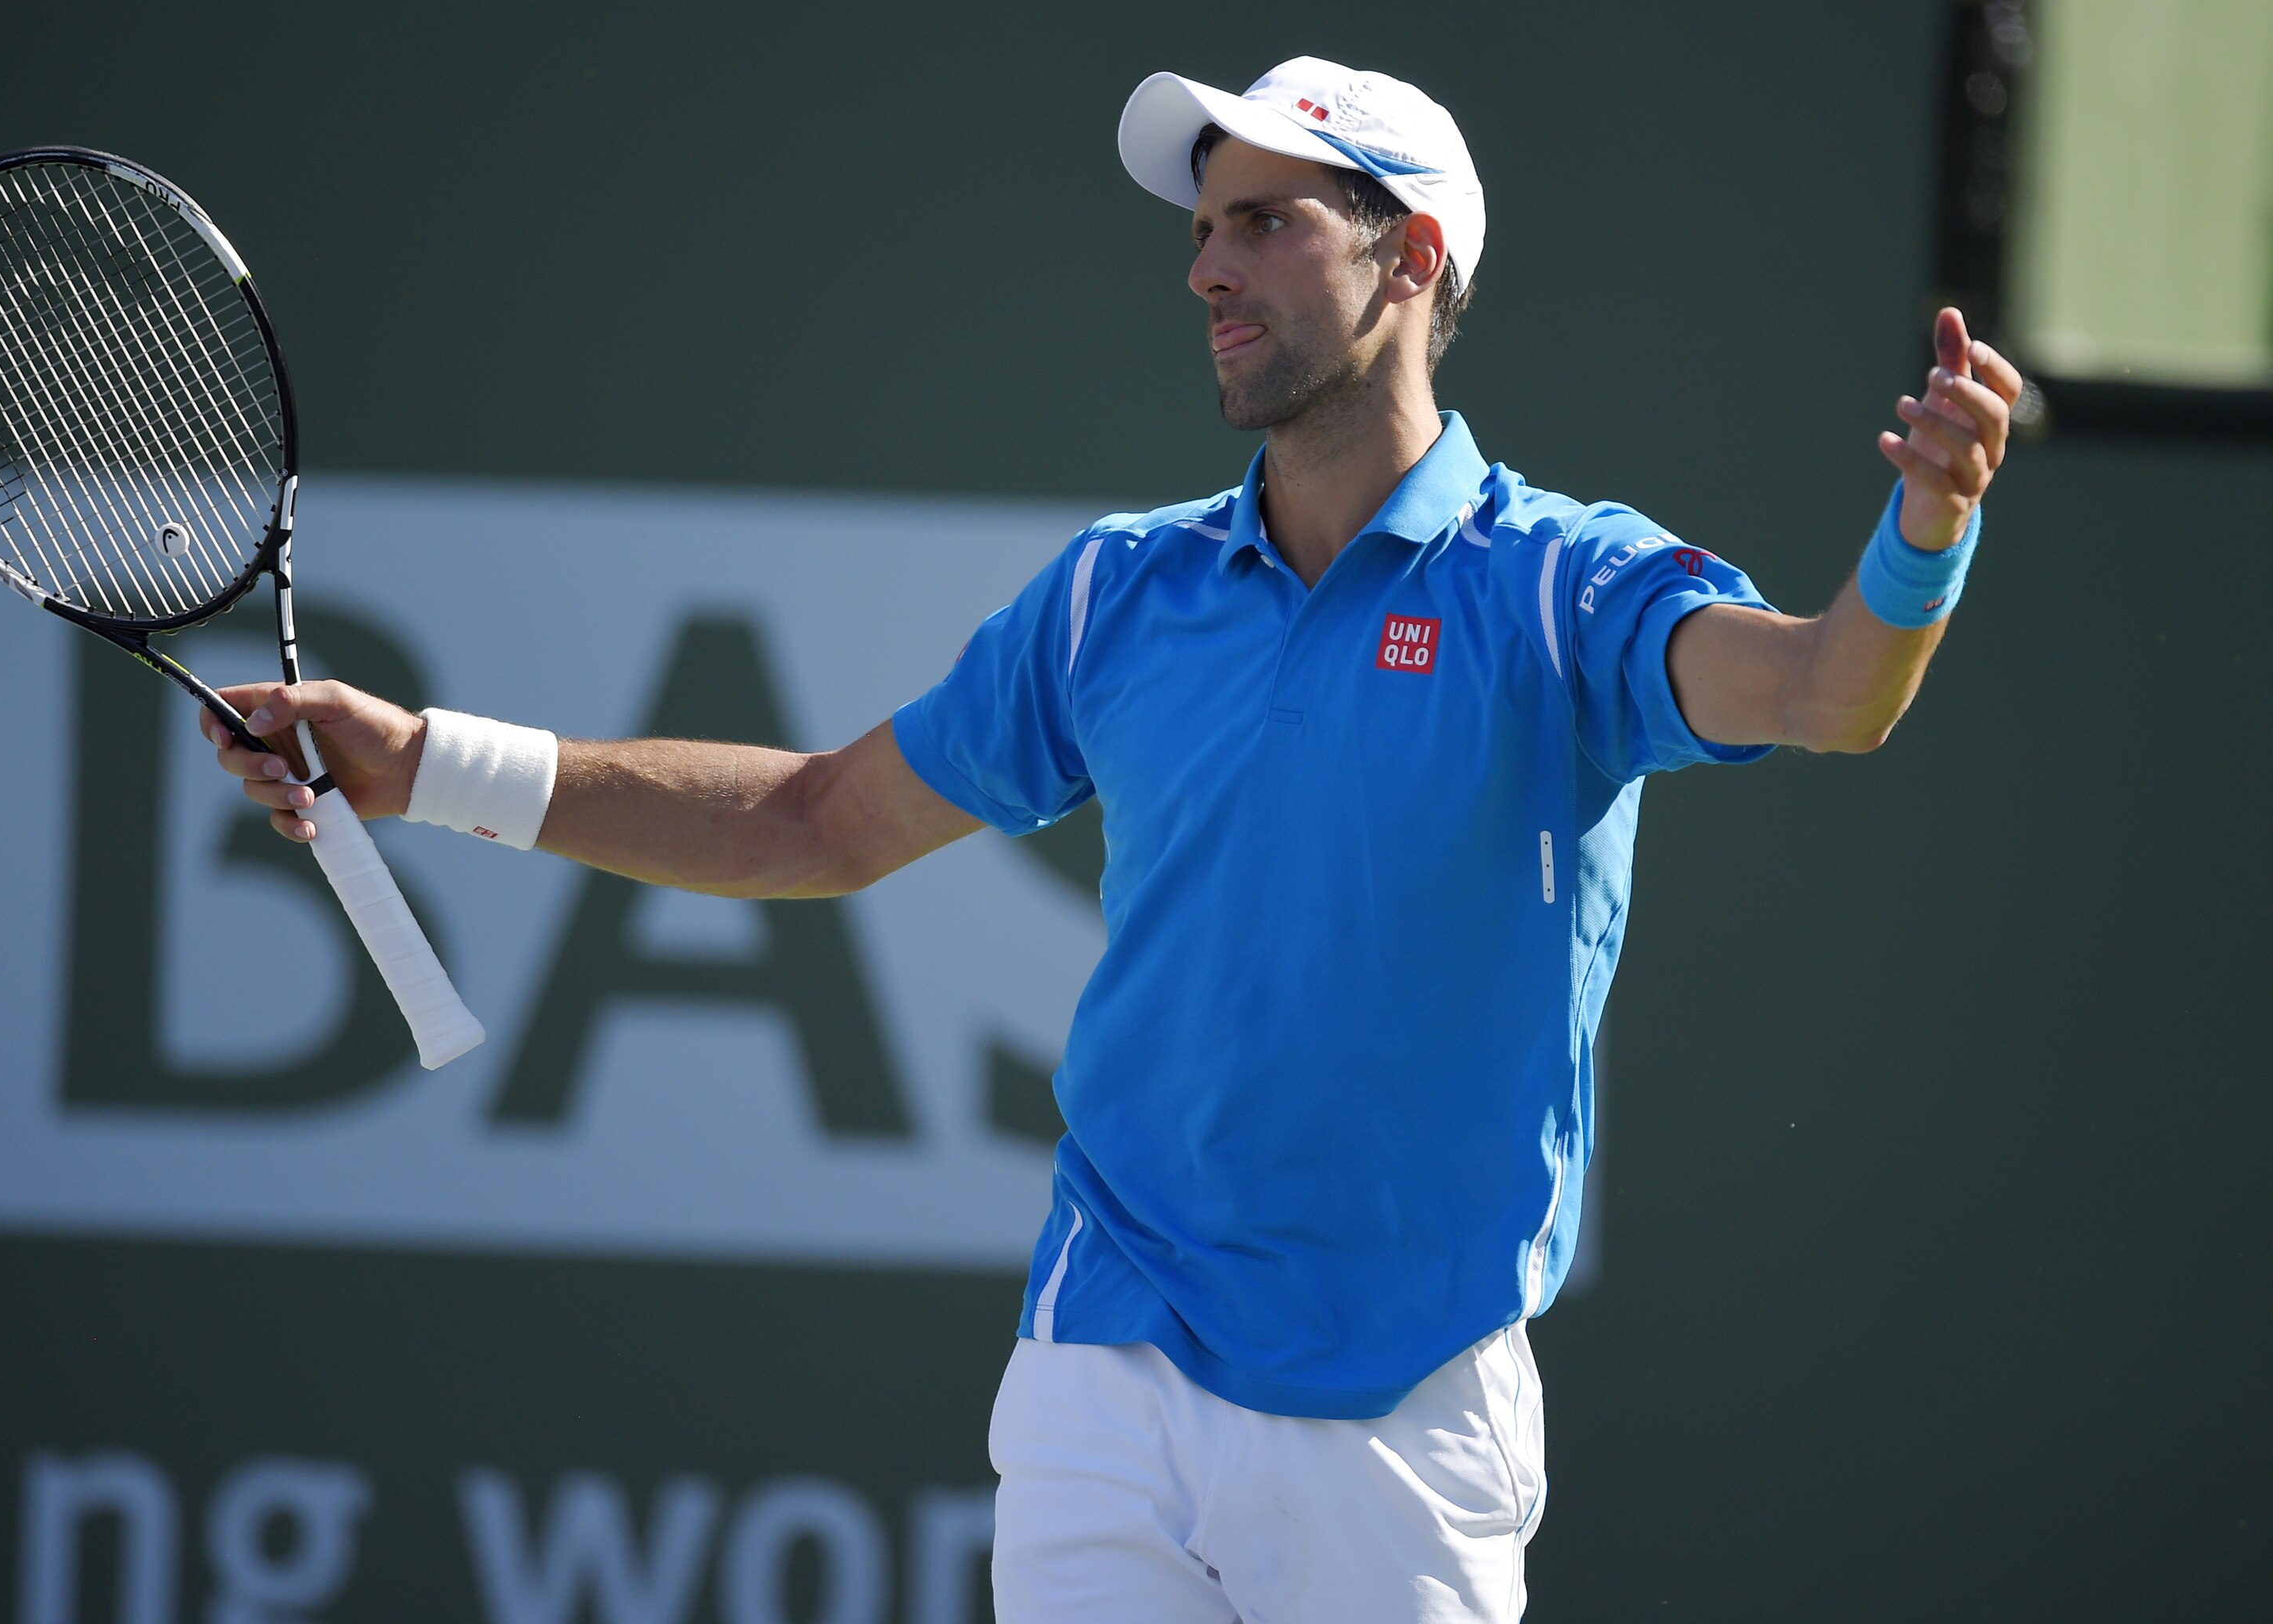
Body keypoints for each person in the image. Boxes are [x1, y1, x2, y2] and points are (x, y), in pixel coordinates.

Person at [202, 56, 2022, 1624]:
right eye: (1205, 227)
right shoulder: (1114, 596)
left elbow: (1825, 691)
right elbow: (816, 821)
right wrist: (422, 761)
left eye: (1264, 225)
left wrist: (1922, 528)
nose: (1204, 267)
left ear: (1409, 259)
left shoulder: (1560, 589)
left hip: (1403, 1408)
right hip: (1106, 1358)